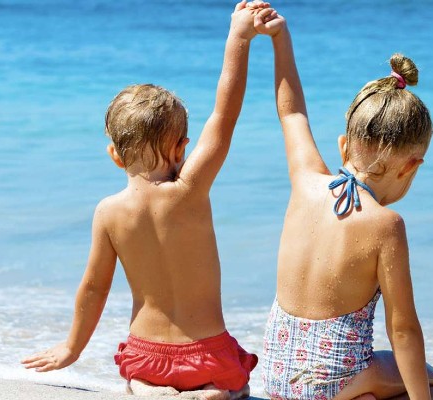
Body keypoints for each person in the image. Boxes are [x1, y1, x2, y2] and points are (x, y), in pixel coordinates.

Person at [20, 2, 278, 398]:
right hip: (206, 355)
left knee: (139, 376)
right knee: (234, 386)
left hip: (147, 355)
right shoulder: (190, 190)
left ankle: (146, 387)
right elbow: (224, 117)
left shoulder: (108, 212)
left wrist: (71, 349)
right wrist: (238, 37)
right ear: (181, 149)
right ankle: (211, 391)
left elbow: (93, 288)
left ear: (115, 155)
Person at [251, 8, 433, 400]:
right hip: (330, 386)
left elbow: (291, 112)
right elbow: (403, 330)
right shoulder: (386, 225)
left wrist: (279, 38)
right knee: (430, 381)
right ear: (411, 167)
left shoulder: (305, 181)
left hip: (275, 381)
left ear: (343, 145)